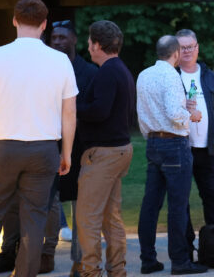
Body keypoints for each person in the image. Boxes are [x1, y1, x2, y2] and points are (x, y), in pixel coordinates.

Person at [0, 0, 78, 277]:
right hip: (44, 149)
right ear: (44, 24)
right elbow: (69, 113)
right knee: (34, 221)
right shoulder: (60, 61)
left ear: (14, 20)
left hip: (2, 146)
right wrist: (66, 152)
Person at [136, 35, 207, 275]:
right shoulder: (172, 75)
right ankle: (180, 261)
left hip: (153, 142)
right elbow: (174, 114)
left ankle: (148, 259)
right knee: (177, 205)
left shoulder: (144, 75)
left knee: (150, 204)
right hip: (174, 144)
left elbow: (149, 110)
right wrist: (192, 116)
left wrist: (180, 109)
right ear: (176, 53)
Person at [75, 20, 135, 277]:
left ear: (97, 44)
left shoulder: (108, 72)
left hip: (104, 154)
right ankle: (117, 271)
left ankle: (90, 272)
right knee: (112, 217)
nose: (88, 48)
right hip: (120, 150)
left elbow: (99, 111)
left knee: (87, 218)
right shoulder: (120, 69)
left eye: (90, 43)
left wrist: (71, 107)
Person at [51, 20, 98, 276]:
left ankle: (79, 262)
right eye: (54, 37)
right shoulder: (44, 70)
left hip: (80, 149)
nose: (57, 41)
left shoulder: (89, 72)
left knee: (81, 209)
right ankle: (43, 256)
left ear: (75, 40)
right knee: (45, 205)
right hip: (47, 146)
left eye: (62, 37)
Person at [175, 29, 214, 249]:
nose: (187, 51)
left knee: (212, 196)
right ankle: (187, 246)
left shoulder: (208, 75)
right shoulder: (172, 76)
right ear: (175, 51)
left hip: (208, 148)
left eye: (190, 46)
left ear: (197, 47)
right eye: (182, 47)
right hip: (182, 148)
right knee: (181, 199)